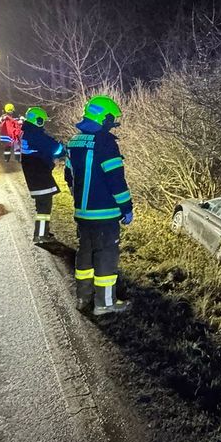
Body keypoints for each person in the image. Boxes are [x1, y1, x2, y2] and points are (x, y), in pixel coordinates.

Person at [65, 95, 133, 315]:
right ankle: (105, 304)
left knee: (85, 254)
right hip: (104, 215)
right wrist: (127, 207)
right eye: (111, 119)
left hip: (83, 215)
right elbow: (116, 181)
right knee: (105, 257)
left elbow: (69, 176)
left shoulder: (74, 142)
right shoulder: (106, 144)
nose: (113, 123)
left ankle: (83, 298)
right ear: (104, 118)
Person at [20, 106, 65, 243]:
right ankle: (40, 235)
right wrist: (61, 149)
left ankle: (42, 232)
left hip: (35, 177)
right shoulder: (36, 135)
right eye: (42, 120)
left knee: (42, 206)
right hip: (40, 177)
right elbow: (56, 148)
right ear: (37, 120)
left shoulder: (27, 134)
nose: (43, 123)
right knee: (44, 207)